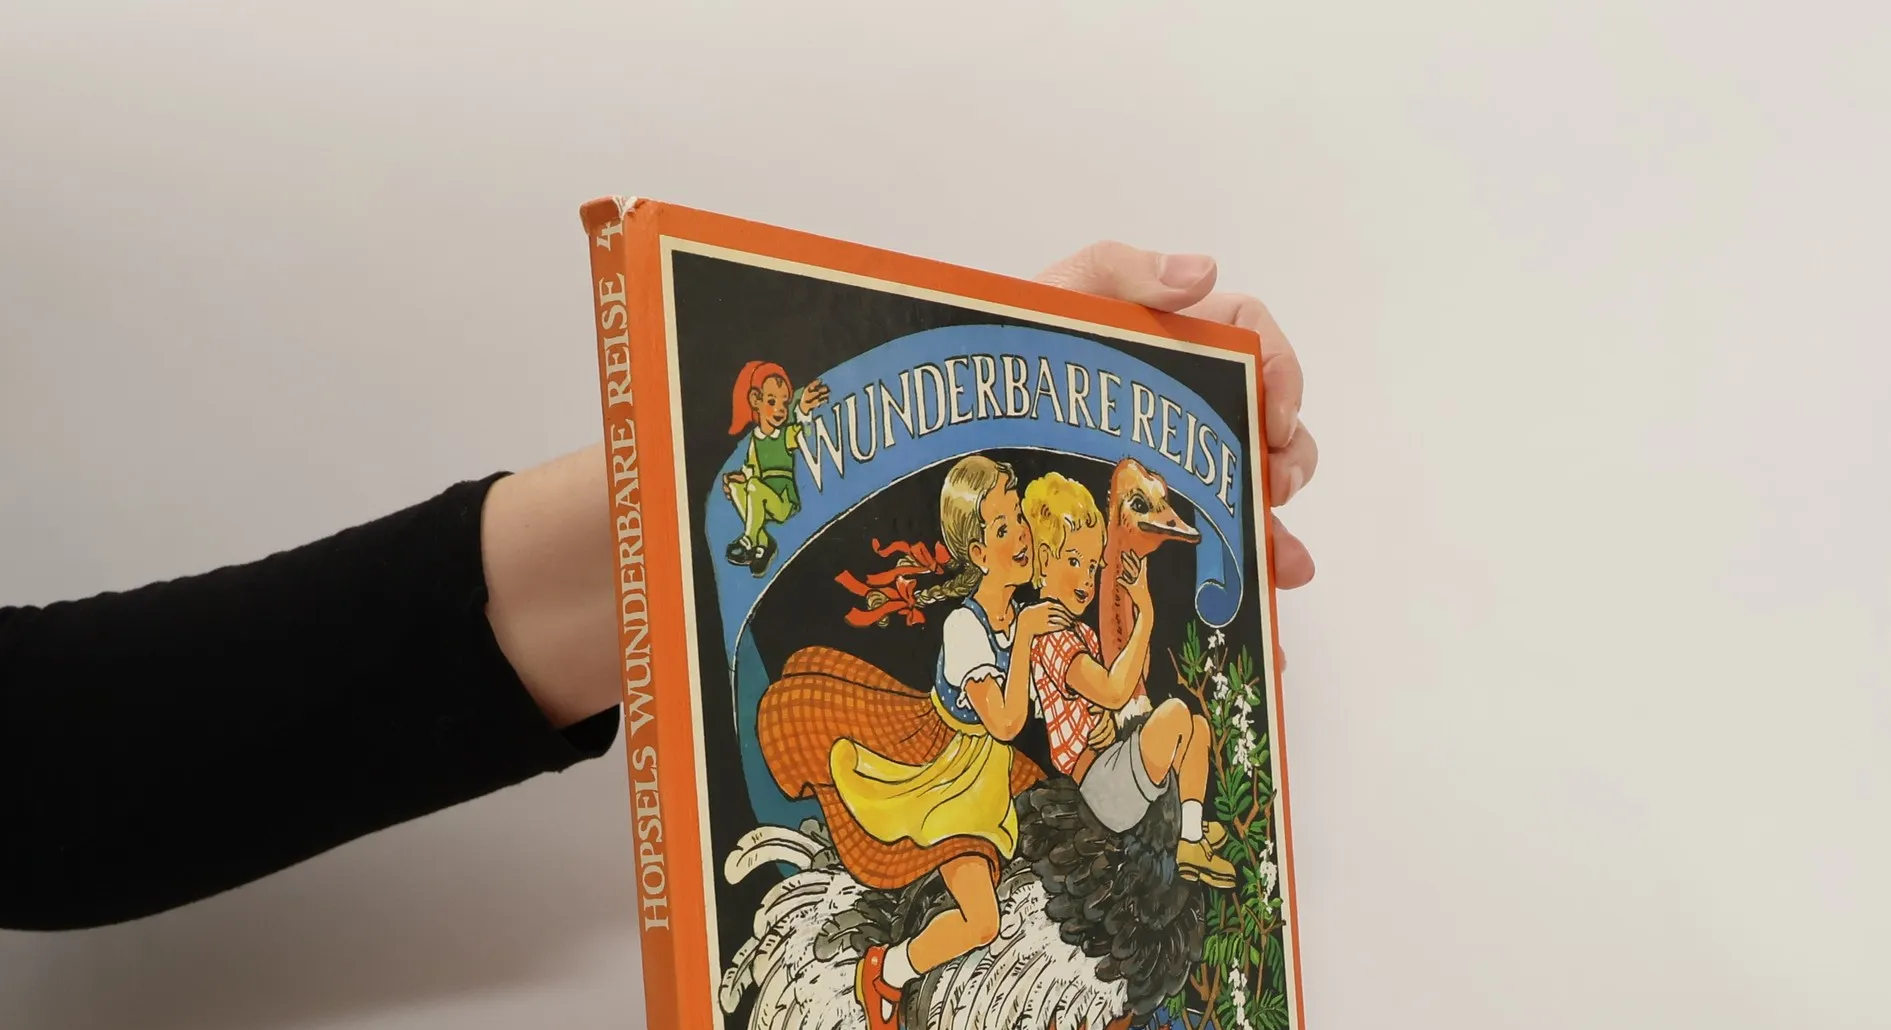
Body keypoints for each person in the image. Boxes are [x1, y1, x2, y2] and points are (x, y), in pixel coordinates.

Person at [0, 243, 1317, 935]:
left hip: (1037, 752)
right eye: (1033, 537)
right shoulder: (995, 626)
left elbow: (50, 765)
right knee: (984, 899)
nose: (1047, 553)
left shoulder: (1037, 603)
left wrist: (923, 374)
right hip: (981, 759)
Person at [757, 456, 1069, 1030]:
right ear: (978, 552)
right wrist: (1031, 638)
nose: (1021, 537)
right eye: (1003, 528)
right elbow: (1006, 723)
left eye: (1018, 520)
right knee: (981, 921)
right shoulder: (967, 629)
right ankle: (887, 973)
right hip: (945, 780)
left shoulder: (1018, 615)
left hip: (991, 777)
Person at [1021, 470, 1234, 887]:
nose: (1087, 578)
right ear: (1045, 561)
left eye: (1093, 565)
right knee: (1175, 714)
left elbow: (1112, 691)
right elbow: (1116, 690)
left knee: (1198, 727)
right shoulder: (1050, 638)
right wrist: (1146, 613)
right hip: (1099, 787)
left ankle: (1190, 832)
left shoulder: (1080, 634)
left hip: (1112, 764)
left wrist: (1102, 718)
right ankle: (1188, 839)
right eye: (1074, 562)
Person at [721, 360, 830, 573]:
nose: (780, 409)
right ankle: (764, 543)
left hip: (783, 502)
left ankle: (749, 540)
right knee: (737, 487)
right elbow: (751, 470)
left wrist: (803, 410)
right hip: (761, 500)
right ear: (756, 401)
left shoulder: (784, 435)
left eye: (784, 402)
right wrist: (738, 479)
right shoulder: (755, 440)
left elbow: (804, 435)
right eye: (772, 401)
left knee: (754, 487)